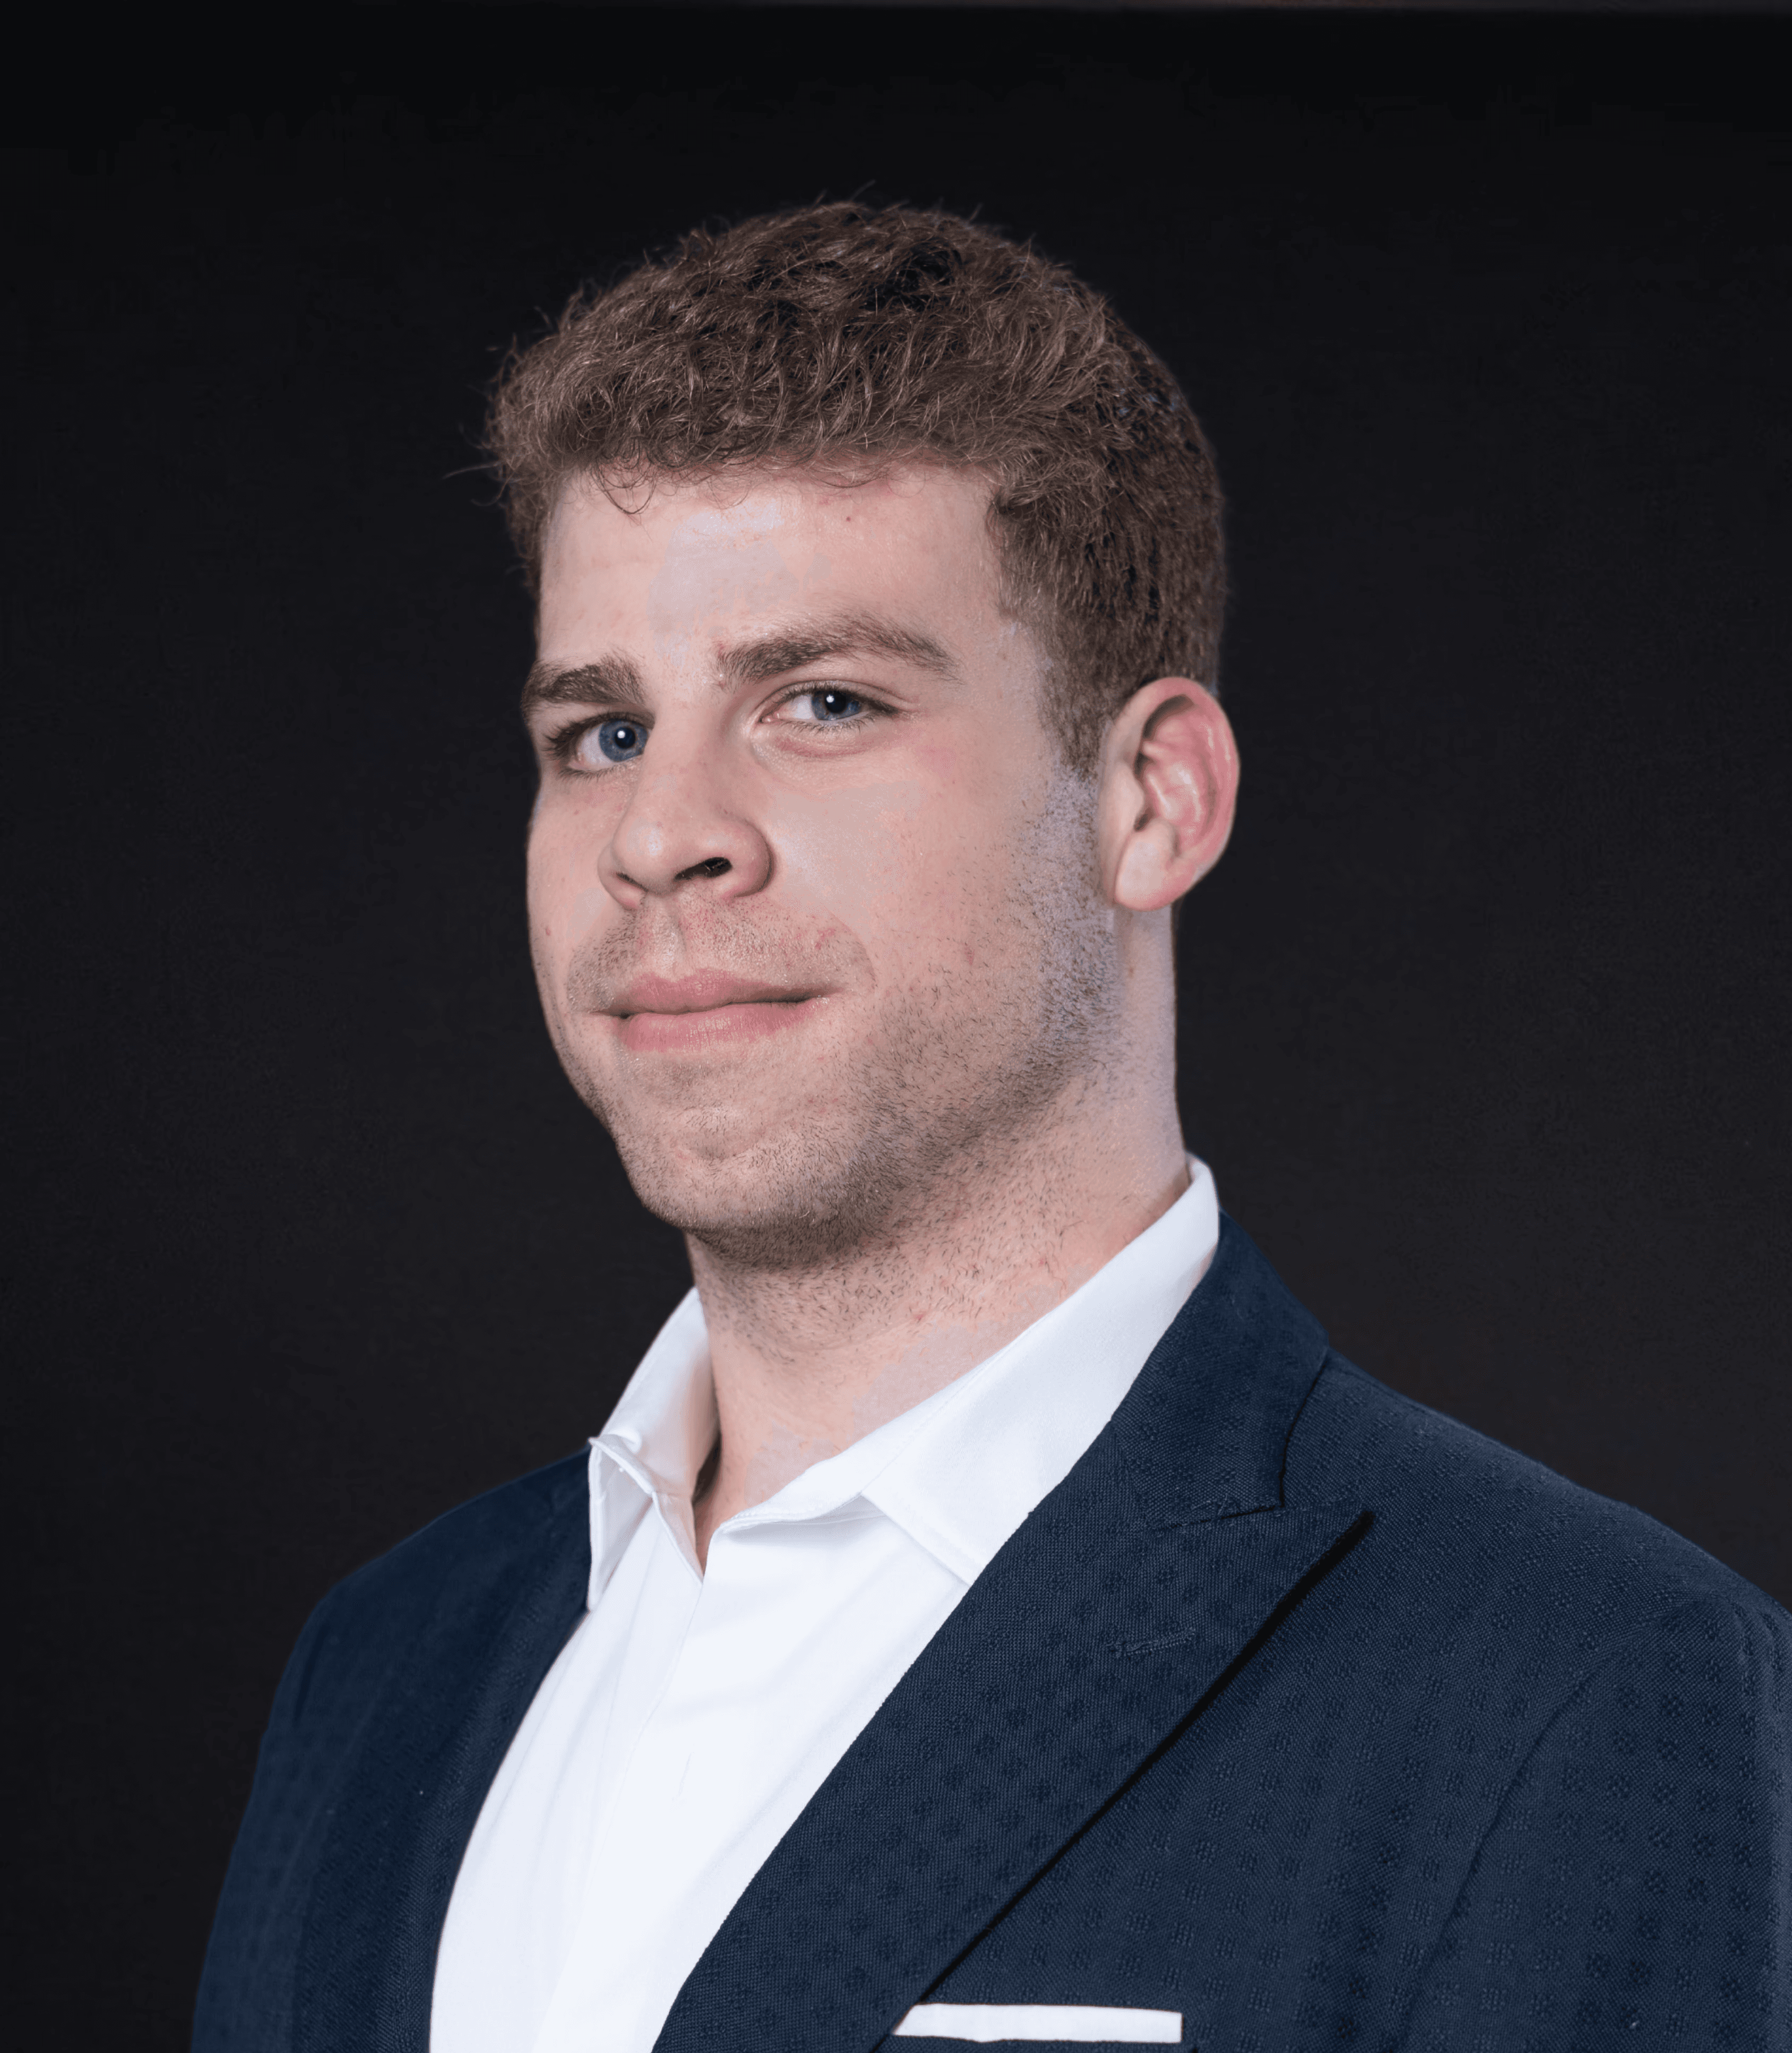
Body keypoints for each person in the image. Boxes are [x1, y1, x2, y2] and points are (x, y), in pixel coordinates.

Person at [193, 203, 1791, 2053]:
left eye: (824, 701)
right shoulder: (385, 1667)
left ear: (1151, 799)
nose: (661, 834)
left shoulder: (1576, 1691)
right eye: (604, 733)